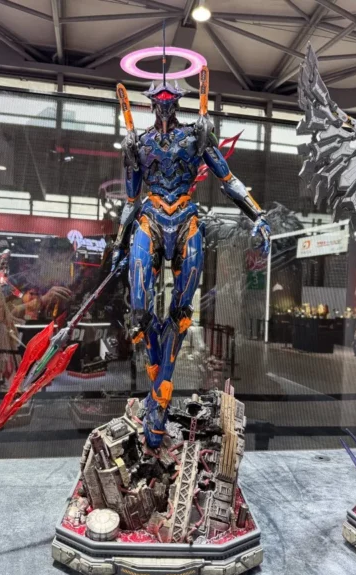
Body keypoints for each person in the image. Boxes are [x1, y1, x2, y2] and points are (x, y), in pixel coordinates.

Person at [111, 79, 270, 448]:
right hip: (151, 217)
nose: (165, 103)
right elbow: (131, 200)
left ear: (179, 100)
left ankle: (160, 395)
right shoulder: (140, 143)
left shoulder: (195, 137)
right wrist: (119, 243)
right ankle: (158, 387)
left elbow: (228, 178)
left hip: (186, 218)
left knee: (182, 312)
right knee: (140, 308)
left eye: (170, 97)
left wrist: (257, 213)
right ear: (151, 102)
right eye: (159, 97)